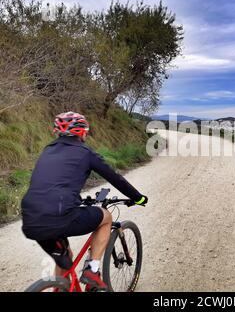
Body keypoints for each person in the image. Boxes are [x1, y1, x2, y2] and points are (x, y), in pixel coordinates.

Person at [21, 111, 148, 291]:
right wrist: (138, 197)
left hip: (31, 219)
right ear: (82, 132)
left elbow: (53, 183)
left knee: (65, 259)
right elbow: (115, 178)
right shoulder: (85, 152)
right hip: (60, 216)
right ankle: (92, 271)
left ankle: (61, 287)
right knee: (105, 217)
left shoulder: (47, 150)